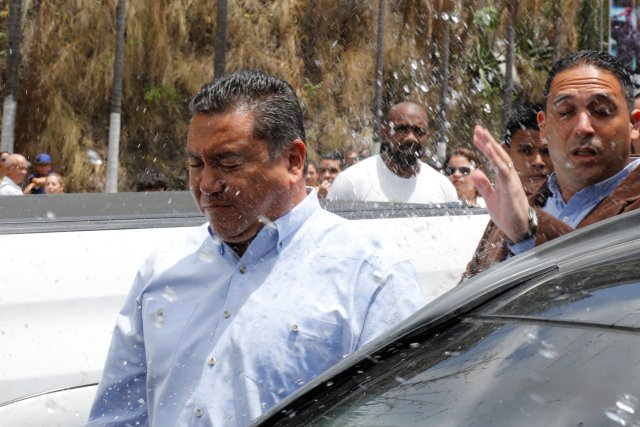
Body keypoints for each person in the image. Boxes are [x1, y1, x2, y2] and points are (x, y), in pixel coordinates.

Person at [88, 70, 425, 427]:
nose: (206, 184)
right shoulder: (163, 272)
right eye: (195, 164)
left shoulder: (371, 276)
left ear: (293, 161)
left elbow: (405, 412)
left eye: (227, 163)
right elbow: (119, 417)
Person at [463, 50, 640, 280]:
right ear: (544, 128)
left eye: (601, 111)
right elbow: (467, 292)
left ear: (633, 124)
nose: (583, 127)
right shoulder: (518, 201)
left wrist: (529, 234)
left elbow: (599, 295)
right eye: (566, 112)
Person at [328, 102, 458, 203]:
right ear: (385, 134)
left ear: (427, 138)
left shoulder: (443, 187)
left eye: (419, 131)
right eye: (402, 129)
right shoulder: (352, 181)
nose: (410, 138)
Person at [502, 102, 554, 193]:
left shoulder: (581, 205)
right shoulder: (485, 204)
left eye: (546, 151)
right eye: (526, 151)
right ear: (505, 154)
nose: (538, 162)